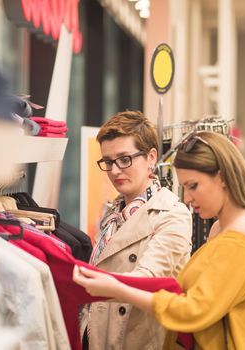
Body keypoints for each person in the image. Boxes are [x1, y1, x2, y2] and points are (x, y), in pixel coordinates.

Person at [74, 131, 245, 350]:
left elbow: (194, 310)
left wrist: (118, 289)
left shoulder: (244, 232)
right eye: (184, 188)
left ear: (221, 177)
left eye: (193, 186)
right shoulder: (222, 227)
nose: (188, 198)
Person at [82, 111, 192, 349]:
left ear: (151, 157)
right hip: (99, 332)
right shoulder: (113, 211)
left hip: (136, 338)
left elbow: (147, 279)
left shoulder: (172, 214)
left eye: (124, 159)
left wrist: (85, 284)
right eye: (108, 162)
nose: (114, 171)